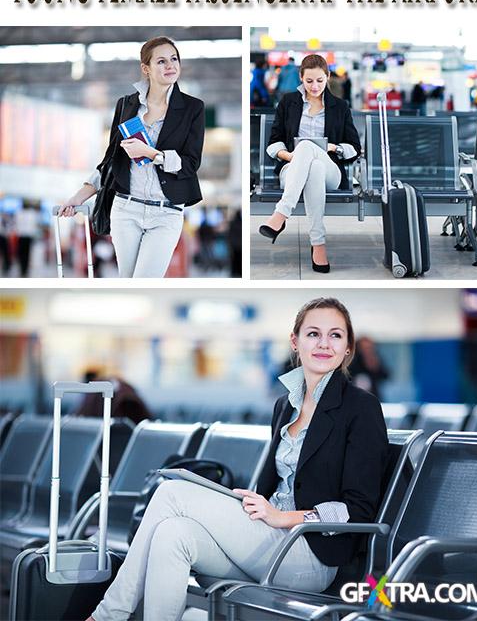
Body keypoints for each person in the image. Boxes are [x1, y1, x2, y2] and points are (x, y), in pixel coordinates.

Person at [86, 297, 388, 621]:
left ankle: (107, 616)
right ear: (295, 342)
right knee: (172, 534)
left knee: (171, 493)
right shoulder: (286, 406)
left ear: (348, 348)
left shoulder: (361, 408)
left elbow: (358, 509)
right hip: (268, 538)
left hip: (309, 552)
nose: (324, 343)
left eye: (336, 335)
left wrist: (283, 518)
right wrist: (256, 503)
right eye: (313, 334)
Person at [58, 37, 205, 278]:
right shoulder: (126, 105)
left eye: (174, 59)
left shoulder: (192, 108)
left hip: (166, 212)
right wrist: (76, 198)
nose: (170, 65)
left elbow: (190, 164)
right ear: (145, 68)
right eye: (161, 61)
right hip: (125, 209)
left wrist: (151, 154)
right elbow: (110, 162)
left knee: (145, 280)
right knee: (127, 280)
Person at [259, 55, 361, 272]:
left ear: (328, 77)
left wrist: (334, 148)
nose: (315, 86)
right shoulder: (288, 102)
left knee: (310, 152)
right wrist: (289, 156)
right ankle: (318, 244)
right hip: (292, 168)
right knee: (311, 164)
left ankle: (281, 214)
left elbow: (355, 148)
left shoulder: (340, 107)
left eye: (320, 81)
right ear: (301, 78)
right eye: (309, 81)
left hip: (331, 171)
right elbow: (273, 143)